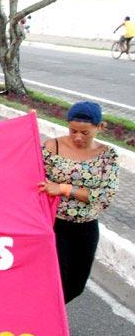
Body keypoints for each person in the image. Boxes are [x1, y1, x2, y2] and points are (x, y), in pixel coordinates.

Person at [39, 102, 119, 303]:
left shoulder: (107, 156)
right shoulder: (52, 147)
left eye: (85, 133)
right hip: (53, 225)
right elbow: (31, 179)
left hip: (86, 228)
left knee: (75, 285)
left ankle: (46, 313)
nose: (77, 137)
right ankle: (44, 318)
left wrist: (64, 189)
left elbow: (105, 195)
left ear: (100, 127)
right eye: (73, 130)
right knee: (55, 282)